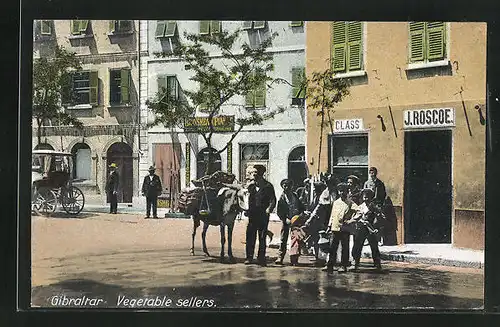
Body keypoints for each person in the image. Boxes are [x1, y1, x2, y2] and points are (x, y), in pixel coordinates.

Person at [245, 164, 277, 266]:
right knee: (250, 236)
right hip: (252, 215)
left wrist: (269, 209)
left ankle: (261, 258)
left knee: (262, 236)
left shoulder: (268, 186)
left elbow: (273, 200)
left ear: (260, 174)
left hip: (263, 215)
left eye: (255, 172)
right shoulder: (251, 186)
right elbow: (246, 198)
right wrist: (246, 209)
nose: (253, 174)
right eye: (252, 172)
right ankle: (249, 257)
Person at [323, 183, 357, 274]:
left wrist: (352, 220)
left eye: (343, 191)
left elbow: (359, 211)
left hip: (344, 228)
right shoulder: (336, 202)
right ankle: (330, 264)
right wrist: (329, 226)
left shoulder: (350, 202)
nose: (342, 192)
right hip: (335, 227)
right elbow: (332, 215)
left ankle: (343, 265)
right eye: (340, 190)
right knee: (332, 247)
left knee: (344, 248)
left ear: (347, 191)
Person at [349, 188, 385, 272]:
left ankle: (377, 264)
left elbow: (380, 217)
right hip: (361, 228)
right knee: (357, 245)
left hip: (371, 228)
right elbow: (356, 216)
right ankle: (355, 263)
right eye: (364, 197)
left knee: (374, 246)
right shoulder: (360, 206)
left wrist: (377, 221)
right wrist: (352, 221)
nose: (366, 199)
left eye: (368, 197)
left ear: (371, 197)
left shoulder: (374, 206)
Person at [276, 179, 305, 265]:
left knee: (295, 239)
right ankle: (280, 257)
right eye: (284, 185)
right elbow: (279, 211)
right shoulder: (281, 198)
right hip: (286, 221)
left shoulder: (295, 196)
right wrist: (285, 219)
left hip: (295, 220)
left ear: (291, 187)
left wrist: (300, 215)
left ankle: (294, 259)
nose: (286, 187)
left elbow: (300, 207)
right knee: (283, 239)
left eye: (288, 185)